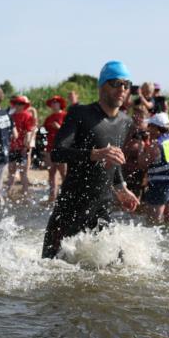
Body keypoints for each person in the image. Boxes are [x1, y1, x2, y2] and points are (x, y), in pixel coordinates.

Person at [41, 61, 140, 259]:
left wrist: (121, 188)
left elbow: (115, 158)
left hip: (101, 207)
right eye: (116, 83)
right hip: (71, 207)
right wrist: (94, 154)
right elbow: (58, 152)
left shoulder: (125, 122)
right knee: (49, 267)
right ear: (102, 85)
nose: (122, 89)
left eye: (126, 85)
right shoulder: (81, 114)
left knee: (120, 268)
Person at [139, 113, 169, 224]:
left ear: (156, 128)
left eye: (150, 126)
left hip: (161, 186)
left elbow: (142, 164)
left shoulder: (156, 144)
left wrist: (141, 146)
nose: (148, 129)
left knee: (152, 222)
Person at [6, 95, 35, 198]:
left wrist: (26, 147)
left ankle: (25, 193)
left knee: (23, 172)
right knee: (11, 171)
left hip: (23, 148)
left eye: (21, 103)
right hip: (12, 147)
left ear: (24, 105)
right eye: (17, 103)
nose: (18, 105)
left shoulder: (27, 116)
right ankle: (8, 193)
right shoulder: (11, 116)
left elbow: (29, 132)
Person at [43, 95, 67, 203]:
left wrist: (59, 128)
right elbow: (43, 133)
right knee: (51, 172)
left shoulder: (66, 115)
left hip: (62, 148)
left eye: (55, 102)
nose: (53, 104)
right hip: (50, 148)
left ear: (60, 104)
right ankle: (52, 196)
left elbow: (70, 133)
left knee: (64, 173)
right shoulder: (49, 118)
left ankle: (67, 195)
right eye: (52, 103)